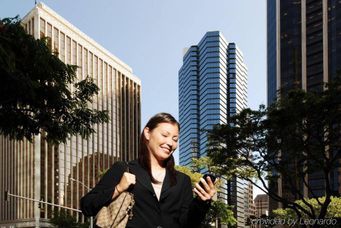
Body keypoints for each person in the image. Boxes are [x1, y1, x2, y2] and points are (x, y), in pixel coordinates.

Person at [80, 112, 216, 228]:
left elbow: (188, 224)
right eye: (165, 135)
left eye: (175, 139)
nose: (170, 143)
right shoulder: (124, 169)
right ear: (147, 133)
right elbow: (87, 206)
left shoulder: (182, 180)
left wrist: (201, 202)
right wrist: (118, 188)